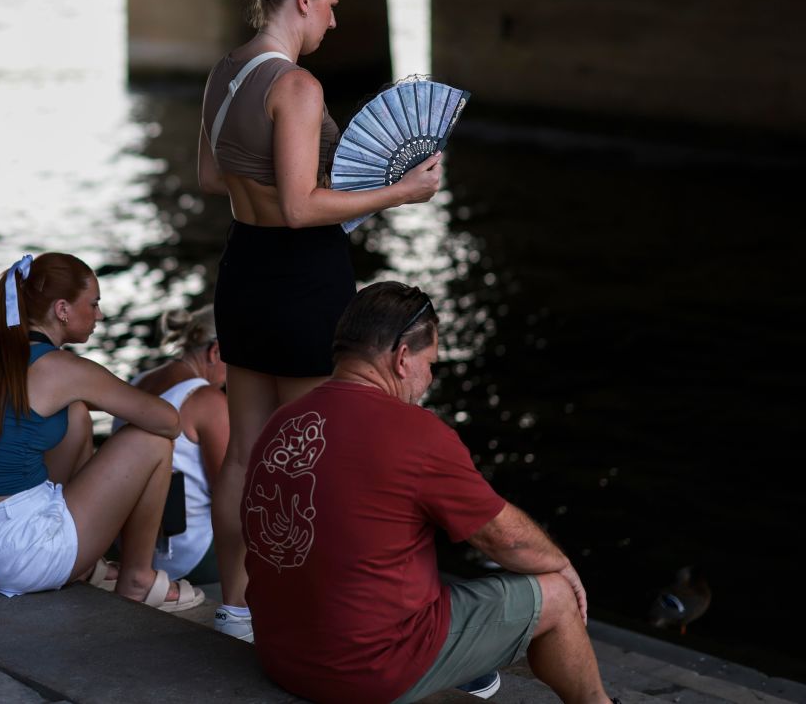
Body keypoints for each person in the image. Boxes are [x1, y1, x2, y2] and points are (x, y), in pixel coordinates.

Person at [198, 0, 444, 639]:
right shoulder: (297, 85)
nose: (335, 22)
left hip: (244, 270)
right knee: (322, 452)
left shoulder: (225, 72)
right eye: (331, 6)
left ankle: (237, 608)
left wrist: (269, 198)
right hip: (305, 279)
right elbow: (306, 207)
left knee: (246, 450)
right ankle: (333, 617)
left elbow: (212, 177)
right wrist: (398, 194)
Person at [242, 282, 614, 704]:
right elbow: (505, 539)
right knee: (556, 597)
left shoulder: (283, 421)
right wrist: (562, 565)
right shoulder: (416, 434)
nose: (430, 378)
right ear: (402, 358)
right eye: (430, 363)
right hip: (362, 672)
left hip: (281, 655)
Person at [0, 252, 206, 612]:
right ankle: (138, 579)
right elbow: (167, 420)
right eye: (94, 303)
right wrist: (102, 392)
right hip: (23, 556)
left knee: (75, 414)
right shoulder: (63, 369)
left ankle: (87, 565)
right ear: (62, 309)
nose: (100, 315)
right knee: (152, 440)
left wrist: (85, 396)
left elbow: (51, 403)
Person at [116, 305, 228, 582]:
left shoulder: (139, 382)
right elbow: (229, 492)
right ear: (215, 351)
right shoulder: (206, 400)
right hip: (187, 555)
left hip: (129, 549)